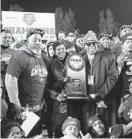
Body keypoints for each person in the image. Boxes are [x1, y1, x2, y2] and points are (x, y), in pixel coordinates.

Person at [5, 28, 49, 137]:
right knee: (24, 135)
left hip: (38, 109)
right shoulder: (19, 56)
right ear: (27, 41)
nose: (38, 42)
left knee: (37, 136)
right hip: (24, 110)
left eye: (40, 40)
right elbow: (10, 82)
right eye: (35, 40)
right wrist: (16, 107)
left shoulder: (43, 57)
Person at [80, 32, 118, 133]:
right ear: (84, 46)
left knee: (105, 128)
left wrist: (100, 94)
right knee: (90, 129)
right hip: (87, 100)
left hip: (105, 98)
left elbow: (113, 77)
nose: (92, 45)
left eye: (94, 43)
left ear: (97, 44)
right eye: (88, 44)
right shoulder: (80, 59)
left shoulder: (108, 56)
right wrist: (87, 95)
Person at [47, 41, 69, 138]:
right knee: (59, 123)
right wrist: (61, 83)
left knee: (71, 122)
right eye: (58, 49)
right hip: (58, 97)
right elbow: (48, 84)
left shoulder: (72, 59)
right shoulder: (51, 63)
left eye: (63, 48)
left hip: (73, 95)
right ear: (55, 52)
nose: (61, 51)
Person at [1, 29, 17, 100]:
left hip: (11, 81)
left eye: (9, 38)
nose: (7, 39)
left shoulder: (16, 52)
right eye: (4, 37)